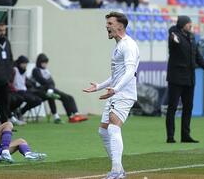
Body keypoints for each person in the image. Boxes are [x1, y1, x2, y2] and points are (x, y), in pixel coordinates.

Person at [83, 12, 140, 179]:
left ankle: (116, 171)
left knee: (114, 128)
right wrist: (99, 86)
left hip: (124, 93)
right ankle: (119, 170)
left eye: (110, 23)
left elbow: (130, 71)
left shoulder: (128, 45)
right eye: (106, 23)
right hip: (116, 92)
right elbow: (117, 75)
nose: (106, 26)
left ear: (120, 26)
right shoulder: (118, 45)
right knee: (103, 131)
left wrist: (116, 89)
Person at [165, 16, 204, 144]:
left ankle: (185, 135)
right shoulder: (174, 35)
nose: (191, 25)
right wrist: (173, 37)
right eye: (188, 23)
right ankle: (170, 137)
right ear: (182, 24)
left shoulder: (192, 37)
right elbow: (172, 35)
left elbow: (198, 56)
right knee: (172, 107)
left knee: (188, 107)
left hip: (189, 78)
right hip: (176, 78)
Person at [32, 53, 88, 124]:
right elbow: (42, 81)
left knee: (69, 97)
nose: (45, 64)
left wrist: (50, 88)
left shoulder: (46, 71)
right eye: (43, 62)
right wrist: (50, 86)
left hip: (50, 89)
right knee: (52, 97)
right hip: (41, 90)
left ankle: (75, 115)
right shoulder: (36, 70)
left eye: (46, 63)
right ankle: (64, 117)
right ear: (39, 62)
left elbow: (52, 82)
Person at [10, 55, 42, 124]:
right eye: (24, 63)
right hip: (17, 91)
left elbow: (24, 82)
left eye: (26, 64)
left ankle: (21, 111)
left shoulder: (24, 71)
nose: (25, 65)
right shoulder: (14, 70)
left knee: (38, 100)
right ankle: (15, 114)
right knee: (29, 99)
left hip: (24, 90)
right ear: (19, 63)